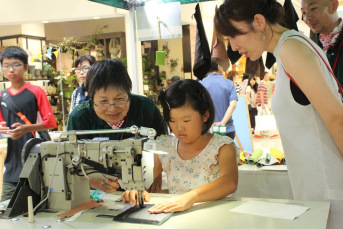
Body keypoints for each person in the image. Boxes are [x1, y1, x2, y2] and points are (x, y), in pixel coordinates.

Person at [214, 1, 343, 228]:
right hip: (319, 189)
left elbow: (337, 117)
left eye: (234, 35)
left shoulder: (291, 48)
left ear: (259, 22)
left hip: (331, 191)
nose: (233, 47)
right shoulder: (290, 48)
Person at [121, 79, 238, 213]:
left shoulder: (222, 147)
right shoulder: (165, 146)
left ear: (205, 115)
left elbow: (230, 182)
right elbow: (143, 176)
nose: (179, 128)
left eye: (186, 120)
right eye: (172, 121)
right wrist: (135, 187)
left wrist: (191, 197)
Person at [67, 59, 168, 192]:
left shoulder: (146, 108)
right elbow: (70, 161)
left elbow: (164, 148)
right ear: (92, 97)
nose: (112, 108)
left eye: (119, 99)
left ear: (129, 93)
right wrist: (95, 181)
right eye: (103, 101)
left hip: (145, 187)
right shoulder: (79, 117)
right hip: (99, 193)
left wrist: (147, 179)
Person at [0, 46, 57, 201]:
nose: (11, 69)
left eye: (16, 65)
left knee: (37, 207)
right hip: (11, 164)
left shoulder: (36, 92)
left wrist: (26, 129)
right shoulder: (1, 95)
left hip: (35, 158)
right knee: (6, 209)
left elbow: (50, 122)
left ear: (25, 67)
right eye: (6, 65)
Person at [301, 0, 343, 88]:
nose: (307, 18)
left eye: (313, 9)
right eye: (304, 13)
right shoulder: (314, 46)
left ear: (333, 6)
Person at [201, 59, 238, 139]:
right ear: (219, 67)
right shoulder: (229, 83)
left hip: (207, 130)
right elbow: (233, 104)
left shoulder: (201, 84)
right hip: (227, 130)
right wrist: (222, 123)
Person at [254, 71, 270, 138]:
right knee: (266, 117)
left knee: (261, 118)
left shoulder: (263, 84)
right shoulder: (262, 84)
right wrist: (263, 104)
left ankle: (259, 133)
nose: (268, 77)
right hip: (262, 104)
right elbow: (261, 94)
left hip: (262, 104)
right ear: (264, 76)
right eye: (267, 75)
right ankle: (271, 132)